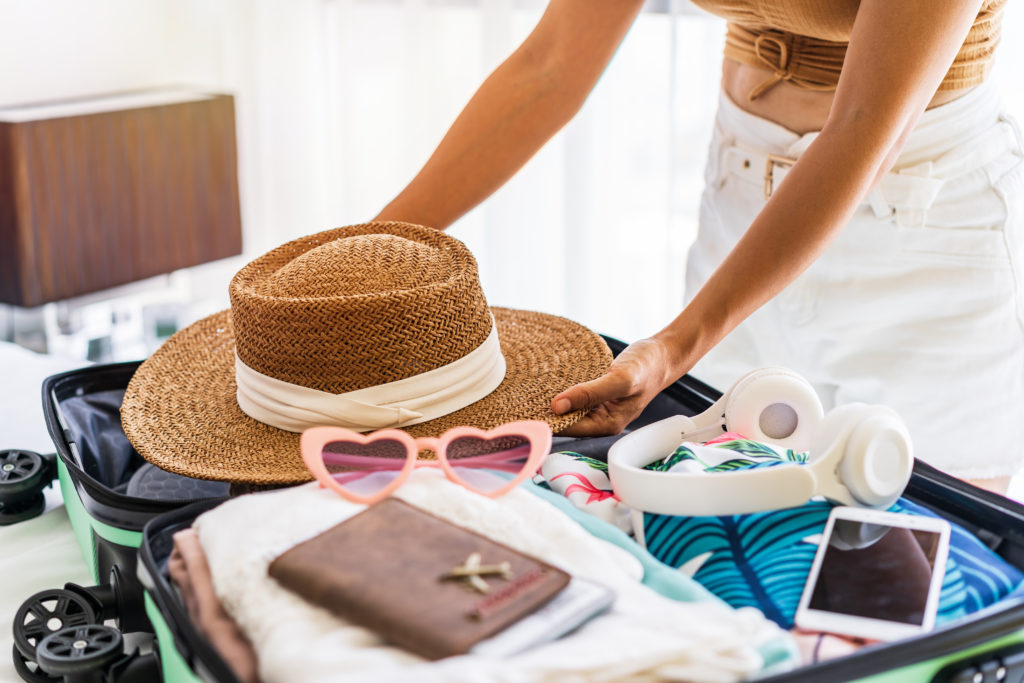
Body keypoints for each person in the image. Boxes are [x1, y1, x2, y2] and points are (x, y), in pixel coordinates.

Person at [373, 0, 1022, 494]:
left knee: (935, 546)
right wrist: (368, 254)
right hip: (742, 217)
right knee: (719, 534)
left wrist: (674, 347)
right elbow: (550, 68)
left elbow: (865, 126)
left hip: (924, 231)